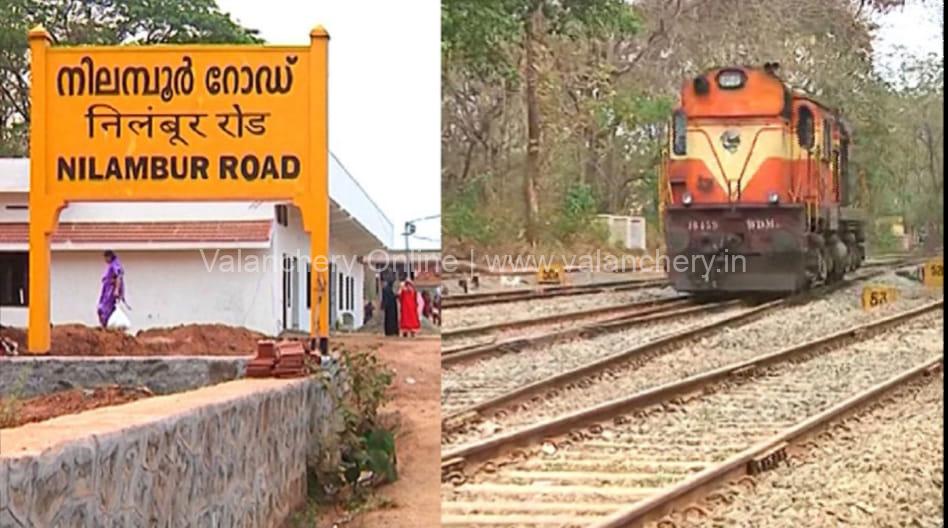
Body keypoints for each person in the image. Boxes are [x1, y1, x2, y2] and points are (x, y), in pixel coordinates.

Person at [97, 250, 125, 327]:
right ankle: (105, 325)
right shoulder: (111, 265)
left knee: (104, 309)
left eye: (106, 258)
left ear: (109, 257)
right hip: (106, 291)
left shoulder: (115, 265)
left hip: (110, 292)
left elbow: (118, 276)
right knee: (101, 309)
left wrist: (116, 290)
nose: (105, 260)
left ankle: (106, 326)